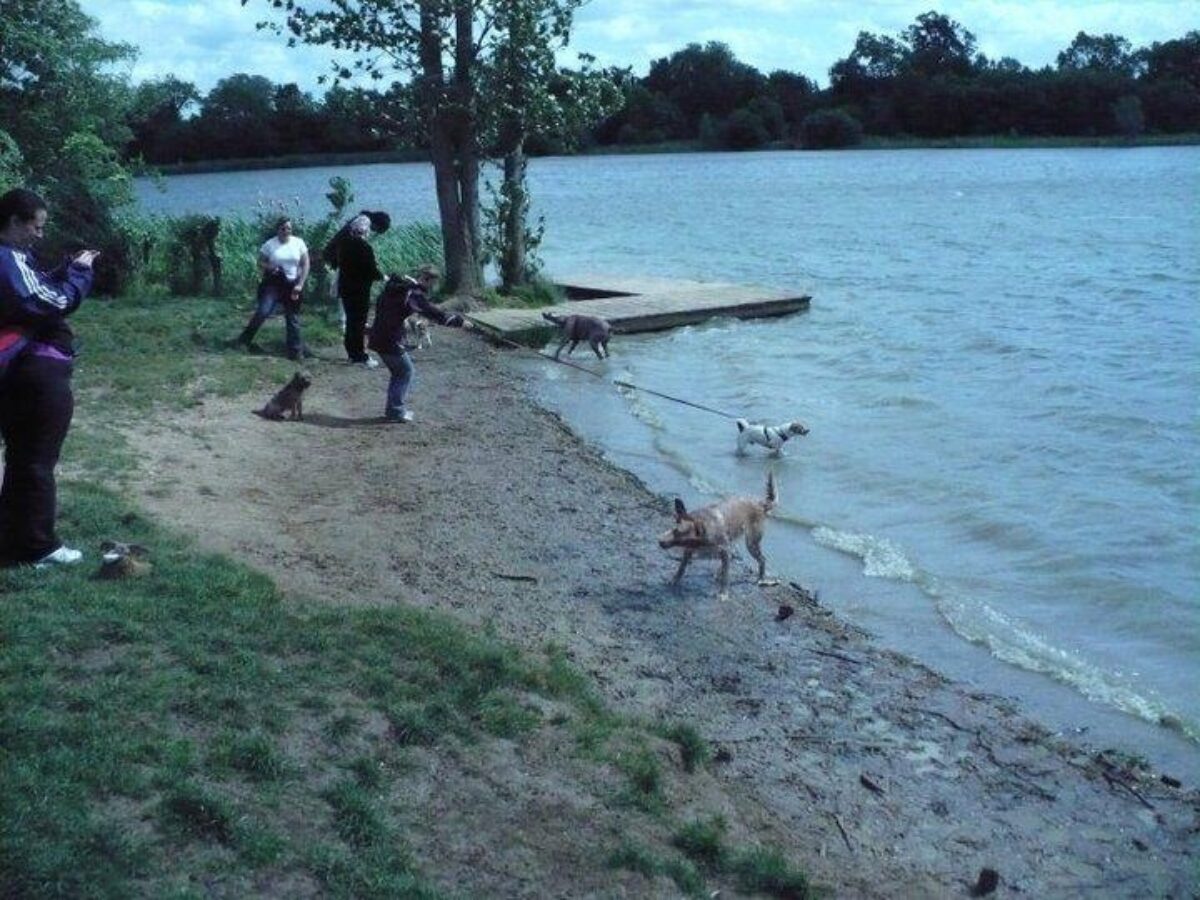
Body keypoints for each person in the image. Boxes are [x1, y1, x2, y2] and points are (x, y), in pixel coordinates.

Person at [0, 188, 99, 567]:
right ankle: (40, 547)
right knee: (36, 462)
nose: (39, 235)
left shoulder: (13, 259)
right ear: (13, 222)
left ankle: (12, 538)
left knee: (23, 460)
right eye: (35, 227)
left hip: (22, 373)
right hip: (36, 375)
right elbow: (50, 301)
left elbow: (33, 288)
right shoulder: (7, 258)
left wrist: (61, 272)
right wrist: (80, 274)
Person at [367, 265, 470, 423]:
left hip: (378, 334)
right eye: (434, 284)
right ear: (428, 279)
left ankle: (394, 410)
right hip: (389, 338)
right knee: (405, 371)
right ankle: (395, 411)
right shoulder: (413, 294)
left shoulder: (398, 286)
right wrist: (460, 322)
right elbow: (433, 314)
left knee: (400, 372)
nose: (434, 288)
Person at [234, 217, 310, 360]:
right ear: (277, 229)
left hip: (292, 283)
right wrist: (270, 267)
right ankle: (244, 340)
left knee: (292, 316)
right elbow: (260, 262)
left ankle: (295, 350)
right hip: (274, 284)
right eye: (283, 228)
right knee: (263, 311)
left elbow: (306, 264)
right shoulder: (270, 244)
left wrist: (300, 284)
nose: (286, 231)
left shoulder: (298, 243)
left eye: (289, 228)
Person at [323, 209, 390, 334]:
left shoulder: (362, 219)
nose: (375, 232)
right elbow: (359, 244)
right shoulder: (364, 221)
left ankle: (349, 321)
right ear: (378, 224)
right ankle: (345, 323)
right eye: (378, 230)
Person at [335, 215, 383, 367]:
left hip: (346, 288)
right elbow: (371, 270)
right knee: (359, 323)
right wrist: (382, 276)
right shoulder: (365, 247)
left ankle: (351, 353)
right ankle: (360, 356)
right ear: (365, 231)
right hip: (360, 290)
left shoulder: (344, 245)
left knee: (350, 322)